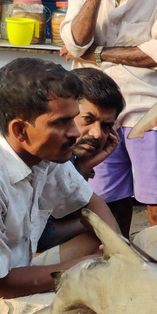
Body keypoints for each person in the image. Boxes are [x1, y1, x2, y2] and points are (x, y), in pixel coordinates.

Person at [0, 58, 120, 314]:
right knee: (102, 311)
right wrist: (80, 269)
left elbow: (92, 203)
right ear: (19, 130)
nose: (75, 132)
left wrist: (120, 255)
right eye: (62, 122)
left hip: (11, 271)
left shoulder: (43, 151)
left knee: (98, 238)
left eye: (74, 117)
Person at [60, 0, 157, 238]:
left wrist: (99, 53)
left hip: (150, 108)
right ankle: (120, 266)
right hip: (95, 114)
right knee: (105, 203)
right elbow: (75, 42)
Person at [37, 67, 124, 252]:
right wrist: (90, 223)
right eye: (87, 119)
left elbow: (69, 201)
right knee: (98, 230)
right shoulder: (47, 152)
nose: (97, 134)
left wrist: (85, 166)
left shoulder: (69, 157)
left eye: (107, 126)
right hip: (7, 268)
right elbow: (40, 236)